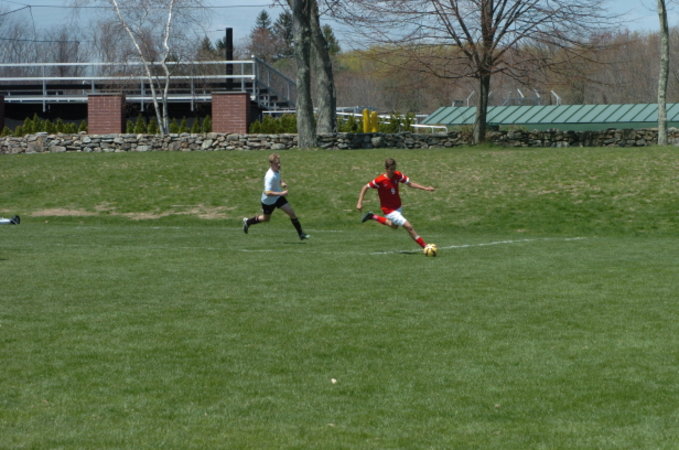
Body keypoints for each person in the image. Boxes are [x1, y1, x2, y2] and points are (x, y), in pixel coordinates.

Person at [356, 158, 434, 249]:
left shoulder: (397, 175)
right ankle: (425, 246)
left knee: (394, 226)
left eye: (394, 168)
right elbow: (365, 187)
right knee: (408, 226)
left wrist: (425, 188)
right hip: (388, 210)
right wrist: (359, 203)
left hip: (398, 207)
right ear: (386, 169)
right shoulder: (380, 180)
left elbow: (410, 184)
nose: (393, 171)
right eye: (391, 169)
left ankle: (372, 216)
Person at [242, 153, 310, 240]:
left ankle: (301, 234)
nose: (279, 165)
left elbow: (278, 179)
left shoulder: (277, 170)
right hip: (268, 201)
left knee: (292, 213)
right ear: (271, 164)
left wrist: (282, 183)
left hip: (277, 198)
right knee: (266, 219)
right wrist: (281, 194)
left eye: (279, 162)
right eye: (276, 163)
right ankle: (248, 222)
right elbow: (267, 192)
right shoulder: (269, 176)